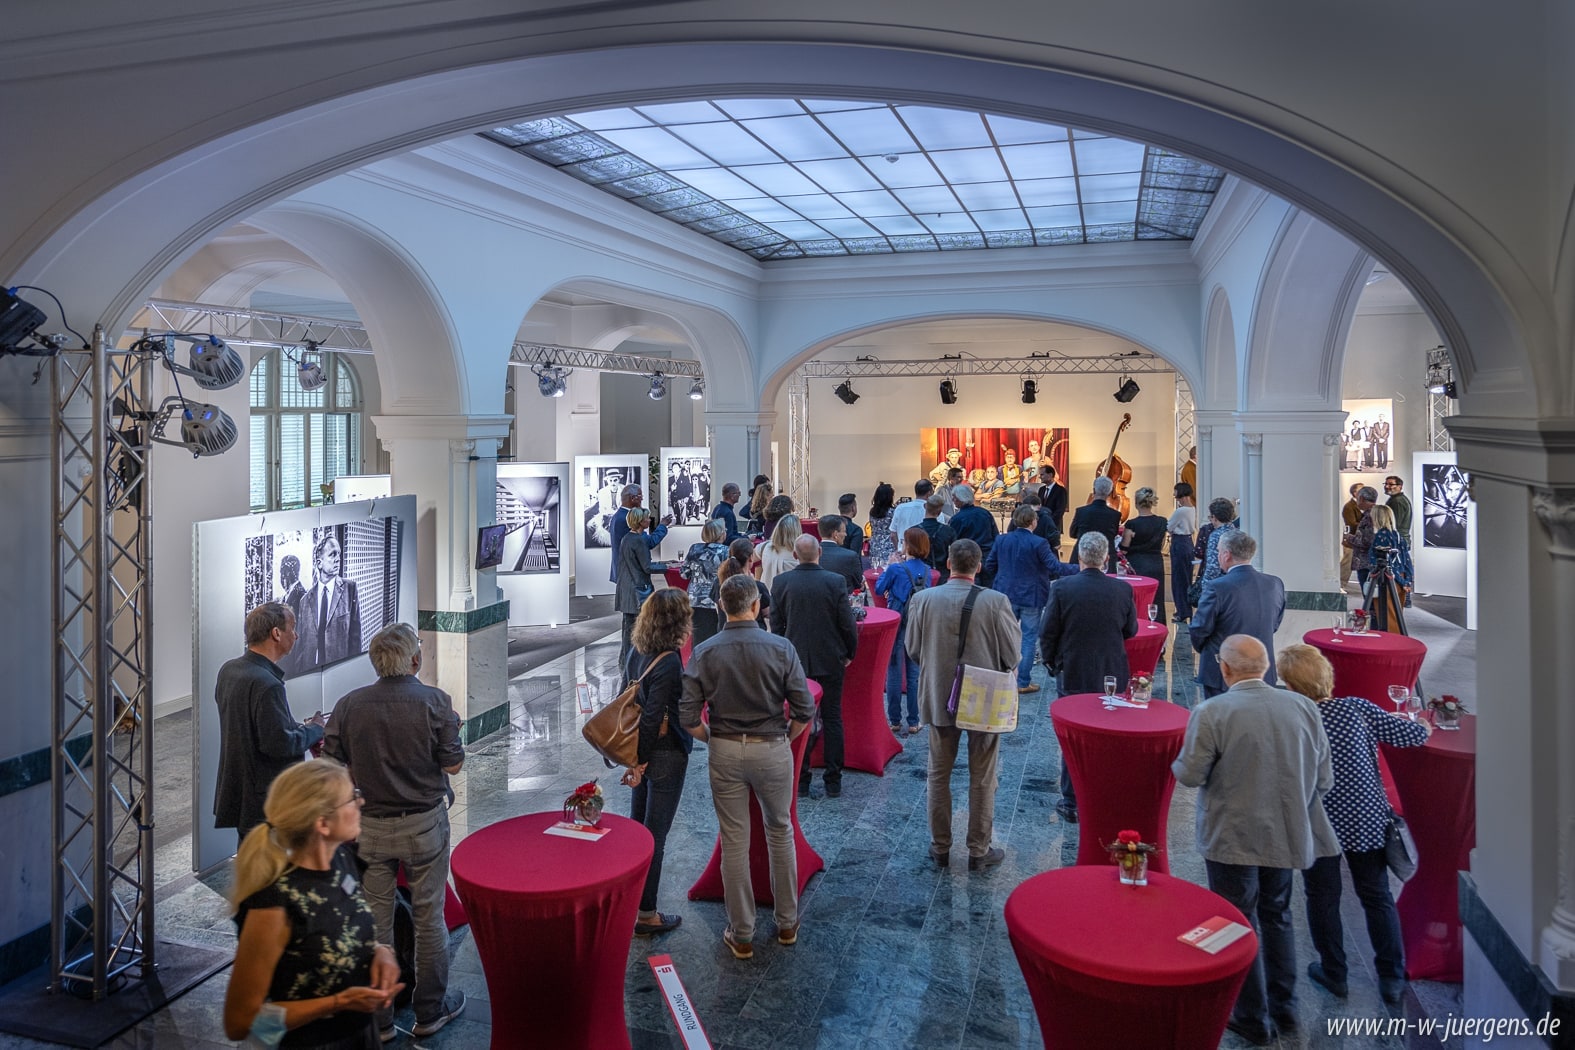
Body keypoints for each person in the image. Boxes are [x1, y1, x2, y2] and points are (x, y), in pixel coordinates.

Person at [1171, 635, 1341, 1045]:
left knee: (1235, 921)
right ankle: (1285, 1008)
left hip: (1232, 836)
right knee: (1278, 916)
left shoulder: (1212, 711)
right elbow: (1323, 779)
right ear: (1266, 668)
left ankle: (1250, 1014)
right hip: (1286, 833)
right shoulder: (1303, 707)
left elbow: (1191, 775)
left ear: (1225, 670)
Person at [322, 623, 465, 1041]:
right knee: (428, 919)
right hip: (424, 824)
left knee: (376, 925)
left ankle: (380, 1022)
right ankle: (429, 1012)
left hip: (370, 828)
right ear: (415, 660)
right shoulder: (435, 702)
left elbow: (330, 767)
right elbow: (453, 765)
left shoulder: (349, 705)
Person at [1277, 644, 1429, 1007]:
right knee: (1376, 896)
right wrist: (1423, 722)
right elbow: (1410, 736)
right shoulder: (1357, 709)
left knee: (1322, 898)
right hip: (1365, 817)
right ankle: (1391, 976)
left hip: (1318, 821)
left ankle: (1334, 971)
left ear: (1292, 687)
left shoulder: (1294, 721)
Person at [223, 759, 403, 1049]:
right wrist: (338, 1002)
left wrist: (380, 952)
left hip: (361, 1037)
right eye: (352, 797)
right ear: (322, 823)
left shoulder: (342, 861)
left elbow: (335, 933)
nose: (362, 801)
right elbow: (240, 1022)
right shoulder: (274, 906)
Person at [681, 575, 815, 960]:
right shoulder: (781, 647)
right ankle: (787, 923)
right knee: (780, 831)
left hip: (724, 749)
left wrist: (712, 737)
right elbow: (804, 707)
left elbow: (688, 716)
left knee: (734, 840)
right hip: (772, 747)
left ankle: (741, 933)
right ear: (756, 606)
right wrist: (786, 738)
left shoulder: (705, 652)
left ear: (722, 607)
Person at [904, 539, 1020, 870]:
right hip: (984, 697)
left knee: (938, 773)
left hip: (939, 694)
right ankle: (978, 850)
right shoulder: (996, 602)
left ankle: (940, 847)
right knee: (982, 775)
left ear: (948, 564)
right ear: (978, 567)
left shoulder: (923, 599)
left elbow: (913, 649)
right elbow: (1012, 655)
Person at [1038, 533, 1138, 822]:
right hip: (1111, 670)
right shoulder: (1121, 590)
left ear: (1079, 557)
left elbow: (1049, 631)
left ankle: (1071, 801)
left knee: (1074, 738)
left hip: (1073, 669)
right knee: (1109, 734)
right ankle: (1105, 794)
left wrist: (1051, 662)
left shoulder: (1063, 588)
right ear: (1106, 558)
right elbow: (1130, 630)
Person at [214, 603, 326, 844]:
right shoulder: (268, 684)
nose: (296, 635)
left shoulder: (229, 670)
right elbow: (279, 744)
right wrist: (316, 728)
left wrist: (295, 726)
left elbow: (255, 726)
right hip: (265, 799)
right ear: (276, 633)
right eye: (292, 628)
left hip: (241, 789)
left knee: (251, 864)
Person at [621, 589, 696, 938]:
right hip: (663, 755)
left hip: (642, 752)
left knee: (638, 831)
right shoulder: (668, 661)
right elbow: (653, 718)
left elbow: (627, 701)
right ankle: (647, 913)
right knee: (654, 837)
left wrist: (633, 758)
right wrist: (641, 763)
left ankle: (631, 902)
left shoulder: (637, 651)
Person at [771, 535, 858, 798]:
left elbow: (776, 626)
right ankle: (833, 780)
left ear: (795, 556)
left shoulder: (782, 582)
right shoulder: (835, 582)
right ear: (819, 552)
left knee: (799, 718)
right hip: (830, 658)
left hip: (796, 660)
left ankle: (802, 779)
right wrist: (849, 652)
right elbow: (847, 624)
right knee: (832, 717)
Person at [985, 504, 1076, 693]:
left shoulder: (1002, 540)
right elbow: (1055, 567)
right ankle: (1022, 682)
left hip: (1005, 594)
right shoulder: (1039, 543)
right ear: (1033, 522)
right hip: (1031, 596)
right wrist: (1081, 568)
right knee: (1028, 639)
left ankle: (1001, 678)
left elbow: (990, 565)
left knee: (1003, 637)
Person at [1189, 530, 1286, 698]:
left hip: (1224, 670)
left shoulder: (1217, 587)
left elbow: (1200, 628)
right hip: (1263, 669)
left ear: (1226, 555)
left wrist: (1205, 650)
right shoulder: (1275, 583)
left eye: (1218, 551)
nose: (1218, 555)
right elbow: (1275, 624)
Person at [874, 526, 931, 734]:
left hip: (897, 621)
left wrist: (890, 566)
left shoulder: (896, 568)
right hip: (917, 624)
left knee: (894, 671)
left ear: (908, 545)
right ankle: (914, 721)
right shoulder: (927, 571)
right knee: (914, 673)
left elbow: (879, 589)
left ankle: (895, 720)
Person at [296, 532, 363, 668]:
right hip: (310, 671)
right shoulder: (305, 601)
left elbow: (355, 639)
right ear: (319, 563)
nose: (338, 558)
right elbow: (300, 646)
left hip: (339, 670)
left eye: (339, 554)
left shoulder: (350, 589)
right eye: (332, 554)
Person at [615, 508, 669, 671]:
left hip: (626, 590)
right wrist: (667, 566)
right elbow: (646, 567)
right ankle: (633, 664)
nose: (649, 520)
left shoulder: (627, 538)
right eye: (647, 518)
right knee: (636, 630)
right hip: (637, 591)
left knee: (628, 629)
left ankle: (625, 662)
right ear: (640, 522)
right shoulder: (638, 540)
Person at [1120, 486, 1169, 625]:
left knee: (1138, 598)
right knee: (1157, 598)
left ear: (1136, 503)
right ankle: (1158, 626)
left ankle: (1137, 626)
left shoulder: (1132, 524)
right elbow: (1162, 542)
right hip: (1156, 562)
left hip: (1137, 563)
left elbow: (1124, 548)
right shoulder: (1162, 522)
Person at [681, 519, 731, 645]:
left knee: (698, 637)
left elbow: (684, 574)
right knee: (717, 636)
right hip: (716, 599)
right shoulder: (726, 551)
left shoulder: (694, 549)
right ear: (720, 534)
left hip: (695, 599)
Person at [610, 484, 668, 583]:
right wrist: (662, 526)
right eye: (641, 497)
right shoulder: (625, 519)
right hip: (631, 572)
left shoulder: (618, 516)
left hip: (626, 570)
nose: (642, 500)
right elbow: (648, 543)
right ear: (633, 498)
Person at [946, 484, 999, 586]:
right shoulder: (985, 513)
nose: (953, 500)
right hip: (988, 556)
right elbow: (995, 535)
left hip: (967, 558)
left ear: (961, 499)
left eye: (955, 498)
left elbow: (953, 542)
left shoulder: (957, 519)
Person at [1069, 475, 1122, 567]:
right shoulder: (1115, 515)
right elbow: (1113, 535)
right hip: (1106, 557)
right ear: (1109, 493)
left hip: (1082, 555)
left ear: (1094, 491)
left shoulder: (1081, 511)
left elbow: (1072, 533)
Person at [717, 537, 770, 626]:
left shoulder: (718, 582)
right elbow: (768, 612)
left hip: (726, 629)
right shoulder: (757, 586)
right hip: (753, 633)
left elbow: (718, 610)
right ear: (751, 558)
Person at [1366, 504, 1414, 595]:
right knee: (1396, 608)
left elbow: (1387, 563)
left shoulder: (1381, 536)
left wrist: (1402, 581)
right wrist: (1407, 581)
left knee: (1386, 608)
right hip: (1400, 576)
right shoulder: (1398, 535)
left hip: (1388, 579)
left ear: (1376, 518)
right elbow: (1407, 560)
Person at [1168, 482, 1198, 623]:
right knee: (1186, 577)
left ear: (1182, 496)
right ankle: (1186, 609)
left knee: (1178, 579)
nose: (1177, 500)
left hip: (1179, 542)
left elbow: (1169, 526)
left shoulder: (1181, 511)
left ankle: (1182, 610)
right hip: (1188, 542)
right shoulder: (1193, 509)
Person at [1199, 496, 1239, 588]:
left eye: (1211, 517)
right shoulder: (1237, 532)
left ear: (1215, 517)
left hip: (1219, 584)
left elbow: (1213, 567)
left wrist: (1205, 586)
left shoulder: (1216, 535)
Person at [816, 514, 864, 591]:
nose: (846, 534)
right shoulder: (850, 556)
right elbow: (859, 583)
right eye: (844, 531)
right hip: (843, 599)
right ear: (835, 534)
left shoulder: (811, 554)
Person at [1344, 486, 1379, 590]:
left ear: (1362, 499)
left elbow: (1366, 540)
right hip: (1371, 559)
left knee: (1368, 592)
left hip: (1366, 560)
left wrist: (1348, 537)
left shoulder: (1369, 516)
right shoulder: (1377, 513)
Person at [917, 491, 956, 582]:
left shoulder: (913, 531)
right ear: (939, 512)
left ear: (925, 507)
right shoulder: (949, 531)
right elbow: (954, 553)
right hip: (942, 574)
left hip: (920, 575)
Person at [758, 513, 801, 591]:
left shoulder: (765, 547)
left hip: (767, 596)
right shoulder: (800, 553)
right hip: (789, 597)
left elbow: (748, 556)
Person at [889, 479, 933, 546]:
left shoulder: (900, 508)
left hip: (904, 550)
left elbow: (893, 535)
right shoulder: (932, 510)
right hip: (924, 551)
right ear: (929, 493)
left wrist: (899, 549)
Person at [865, 483, 896, 564]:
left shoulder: (872, 511)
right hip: (890, 546)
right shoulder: (892, 512)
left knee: (876, 570)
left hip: (875, 545)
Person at [1037, 463, 1069, 540]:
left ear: (1050, 475)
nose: (1040, 477)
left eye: (1042, 474)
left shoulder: (1060, 490)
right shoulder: (1041, 490)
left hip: (1053, 526)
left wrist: (1048, 522)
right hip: (1041, 527)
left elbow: (1060, 511)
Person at [1339, 482, 1363, 586]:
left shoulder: (1360, 505)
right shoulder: (1349, 507)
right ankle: (1340, 584)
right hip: (1351, 540)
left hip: (1358, 540)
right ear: (1354, 493)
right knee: (1347, 563)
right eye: (1361, 490)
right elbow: (1351, 523)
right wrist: (1366, 526)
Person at [1383, 475, 1412, 546]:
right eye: (1386, 484)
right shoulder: (1396, 499)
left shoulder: (1397, 501)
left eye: (1391, 484)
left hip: (1397, 541)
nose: (1387, 486)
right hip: (1398, 539)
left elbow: (1395, 524)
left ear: (1400, 487)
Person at [279, 555, 306, 619]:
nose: (281, 576)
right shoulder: (288, 594)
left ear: (287, 572)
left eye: (282, 572)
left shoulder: (300, 595)